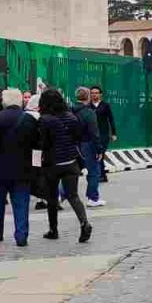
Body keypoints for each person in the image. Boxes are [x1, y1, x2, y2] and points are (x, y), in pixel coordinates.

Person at [38, 88, 93, 243]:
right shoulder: (71, 117)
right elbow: (78, 137)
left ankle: (53, 229)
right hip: (71, 162)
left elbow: (43, 143)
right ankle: (84, 223)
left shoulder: (45, 119)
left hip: (52, 164)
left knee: (52, 197)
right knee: (73, 196)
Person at [0, 88, 40, 246]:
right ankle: (21, 236)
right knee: (21, 204)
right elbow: (36, 145)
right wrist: (36, 167)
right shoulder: (29, 119)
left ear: (4, 102)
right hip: (23, 169)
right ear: (20, 101)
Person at [72, 87, 104, 207]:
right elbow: (94, 133)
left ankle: (61, 194)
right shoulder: (89, 113)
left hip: (73, 144)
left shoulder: (70, 110)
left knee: (72, 172)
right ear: (88, 97)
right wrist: (99, 149)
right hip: (87, 144)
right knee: (94, 171)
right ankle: (93, 198)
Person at [89, 86, 116, 183]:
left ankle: (100, 174)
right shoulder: (88, 106)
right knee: (95, 154)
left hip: (103, 134)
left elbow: (111, 119)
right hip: (92, 134)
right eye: (92, 93)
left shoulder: (105, 105)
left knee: (101, 153)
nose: (94, 95)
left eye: (96, 93)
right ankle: (102, 174)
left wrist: (113, 133)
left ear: (100, 94)